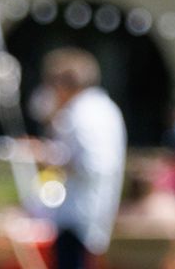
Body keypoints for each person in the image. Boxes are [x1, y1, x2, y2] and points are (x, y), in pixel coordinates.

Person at [35, 48, 124, 269]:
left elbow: (92, 163)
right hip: (96, 208)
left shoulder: (80, 112)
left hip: (77, 213)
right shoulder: (105, 107)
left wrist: (46, 156)